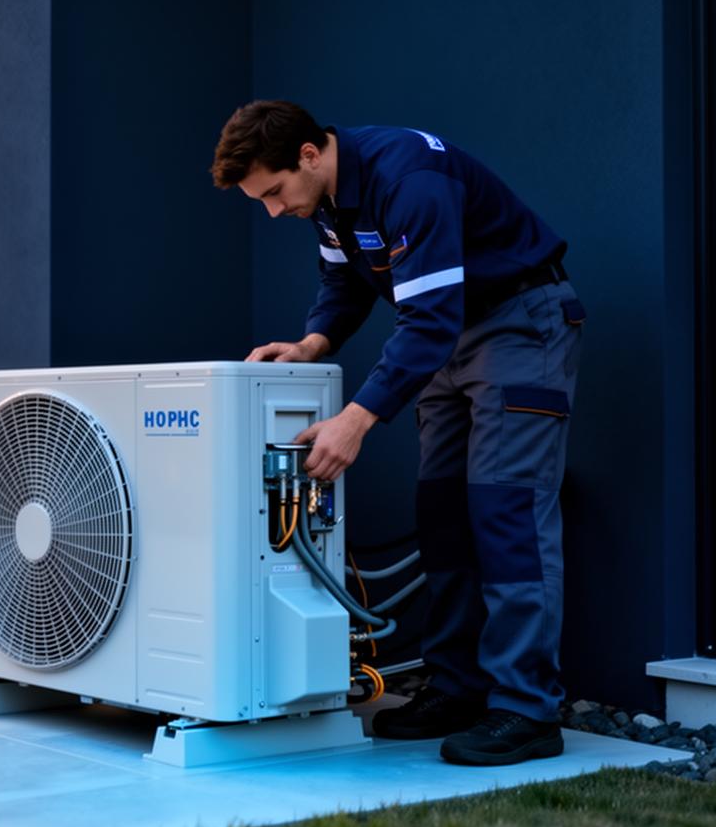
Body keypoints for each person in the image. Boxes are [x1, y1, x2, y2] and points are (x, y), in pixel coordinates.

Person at [211, 99, 584, 767]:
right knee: (443, 515)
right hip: (447, 338)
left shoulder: (408, 178)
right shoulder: (328, 200)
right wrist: (311, 344)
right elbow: (346, 283)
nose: (273, 210)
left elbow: (431, 317)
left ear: (307, 154)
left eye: (273, 193)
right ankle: (459, 688)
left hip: (518, 324)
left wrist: (357, 419)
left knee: (507, 514)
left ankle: (527, 710)